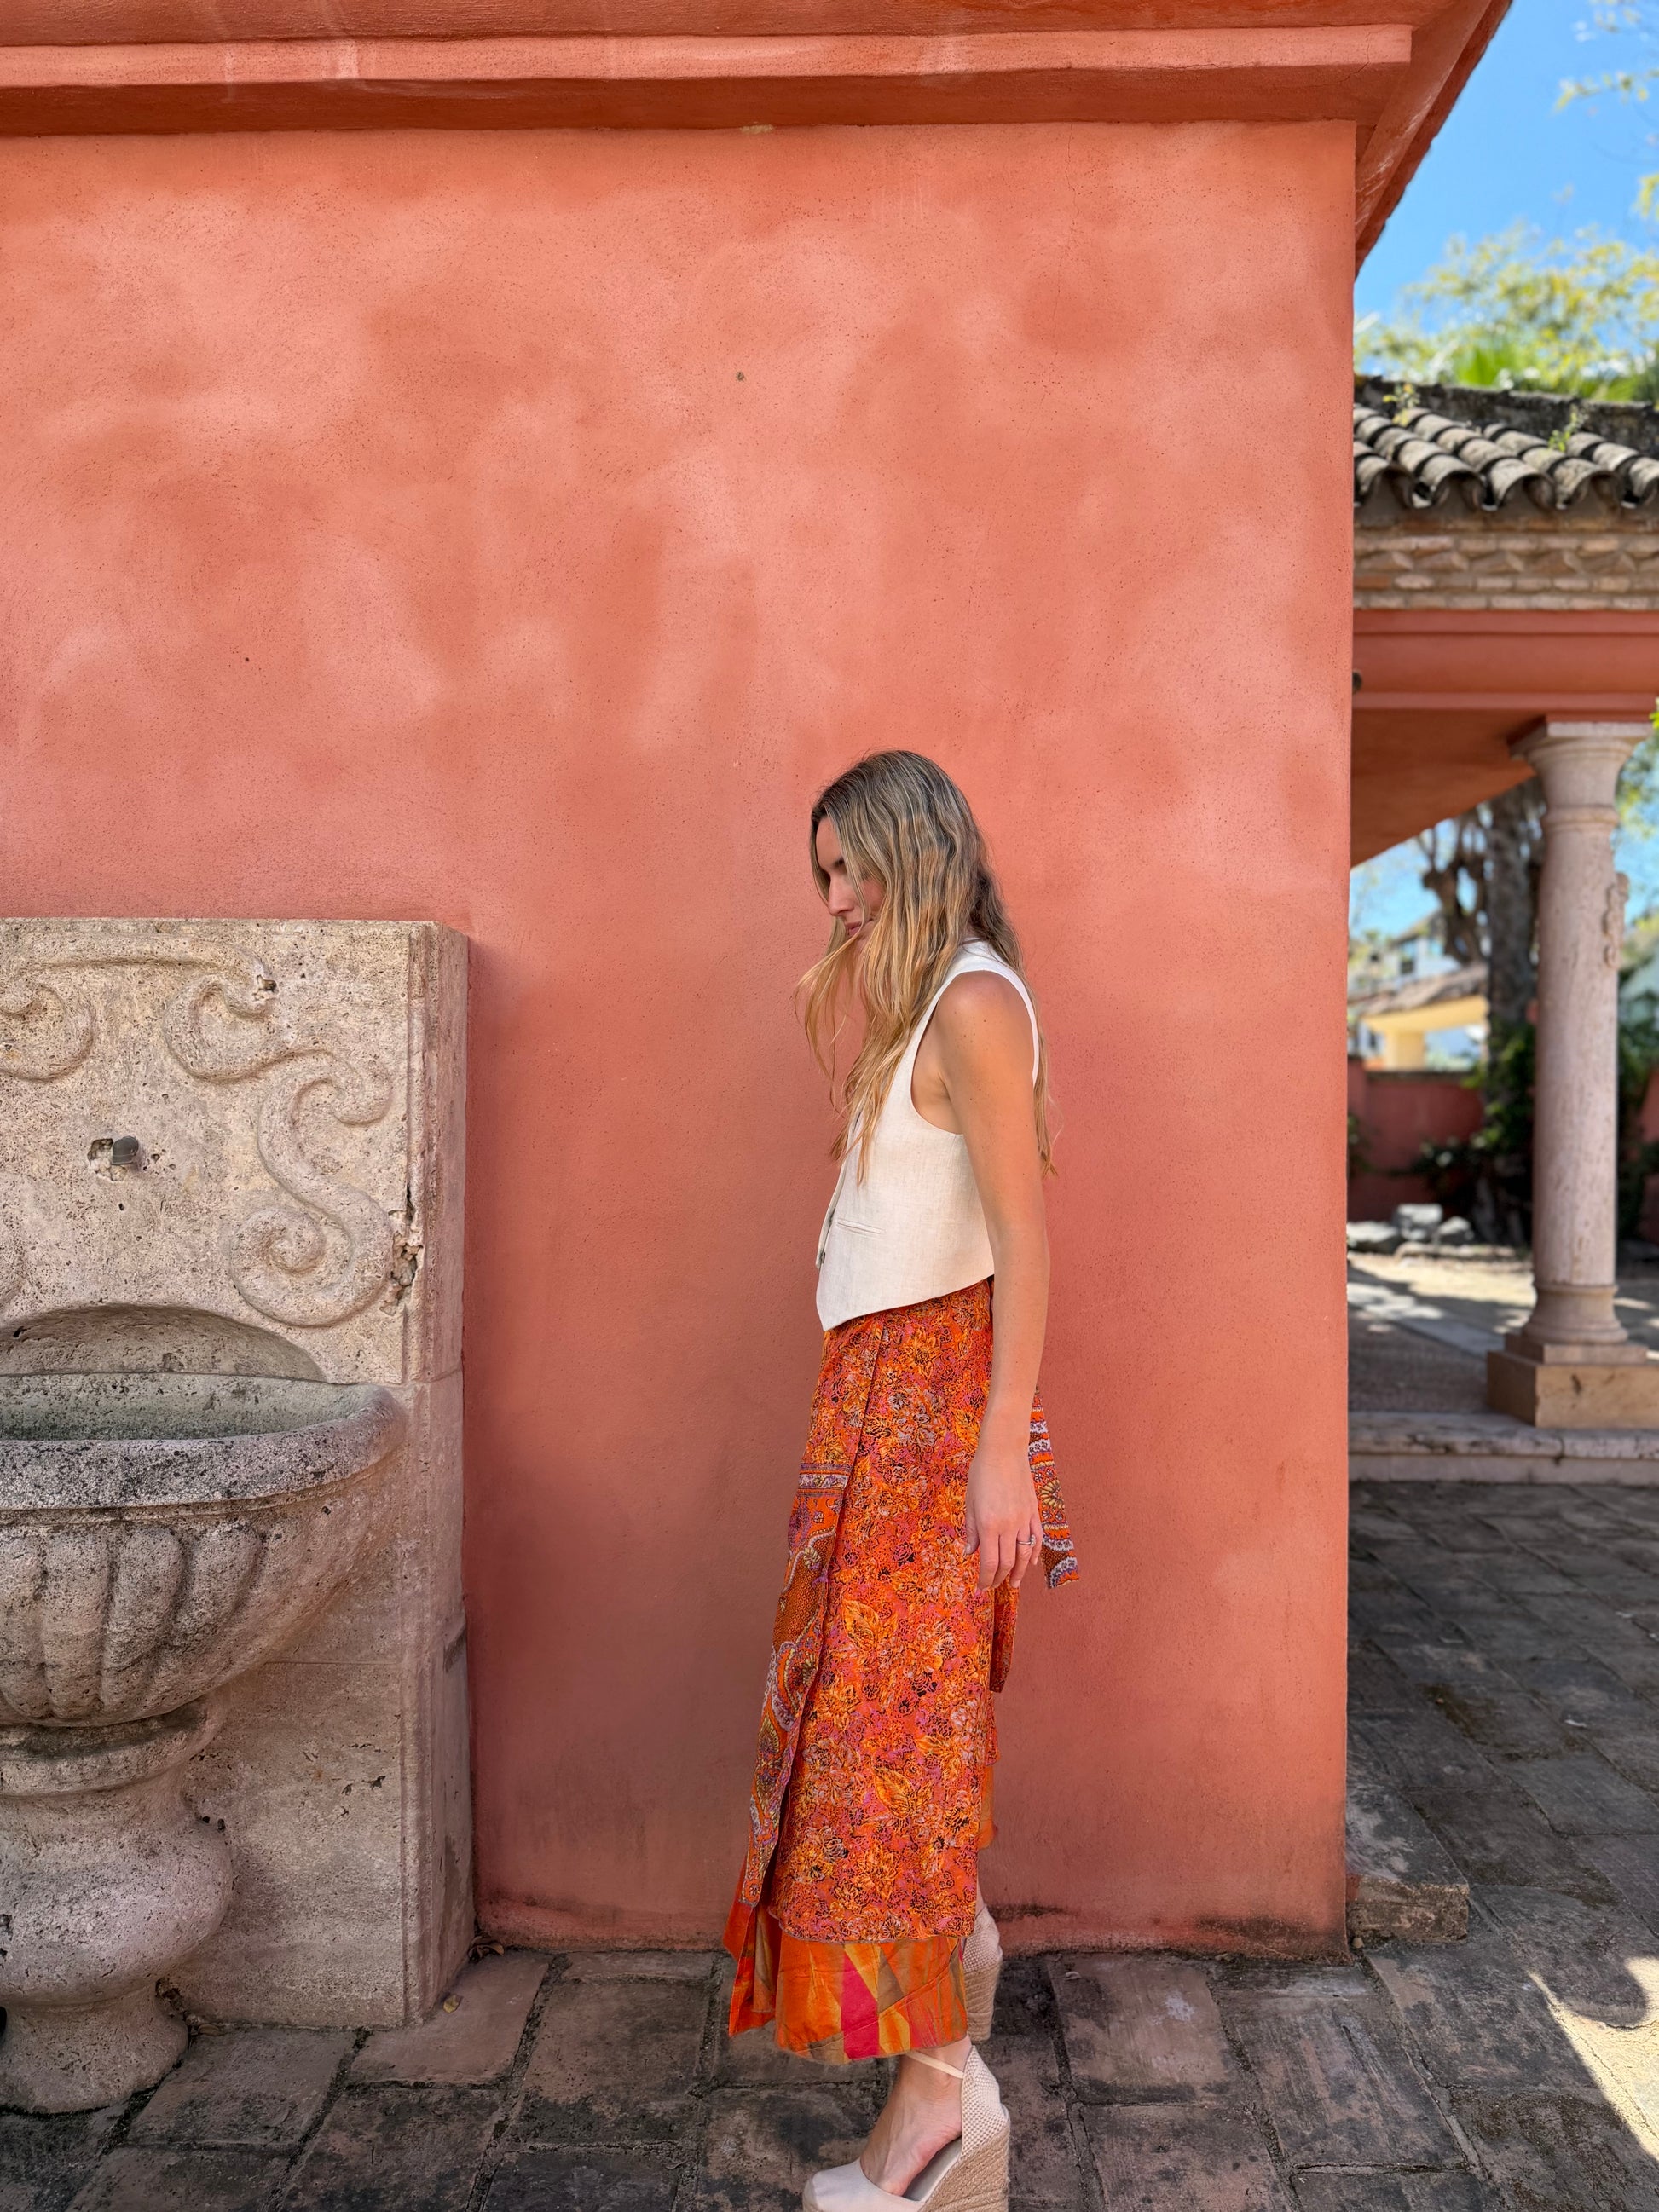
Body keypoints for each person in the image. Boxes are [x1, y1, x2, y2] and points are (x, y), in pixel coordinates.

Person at [724, 751, 1076, 2212]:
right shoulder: (926, 1004)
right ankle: (942, 2050)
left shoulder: (975, 1004)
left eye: (850, 867)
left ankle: (936, 2107)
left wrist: (1002, 1448)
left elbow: (1023, 1238)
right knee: (875, 1741)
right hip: (877, 1411)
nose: (835, 901)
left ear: (914, 852)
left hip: (928, 1423)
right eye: (823, 876)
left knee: (890, 1753)